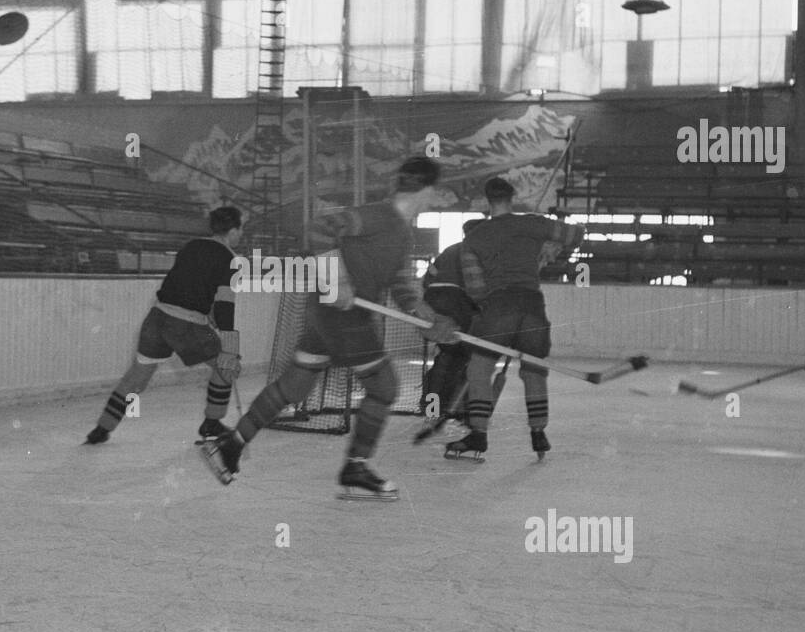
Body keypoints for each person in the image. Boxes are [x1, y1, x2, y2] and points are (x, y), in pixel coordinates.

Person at [200, 156, 456, 500]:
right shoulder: (380, 216)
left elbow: (400, 284)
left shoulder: (401, 233)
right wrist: (337, 279)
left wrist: (426, 317)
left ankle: (231, 445)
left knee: (294, 386)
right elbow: (318, 228)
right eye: (435, 191)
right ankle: (356, 467)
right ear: (427, 189)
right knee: (384, 388)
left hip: (327, 317)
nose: (435, 197)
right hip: (344, 319)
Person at [85, 206, 244, 444]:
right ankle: (212, 423)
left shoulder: (191, 246)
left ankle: (102, 428)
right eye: (241, 230)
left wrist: (206, 311)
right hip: (186, 326)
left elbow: (187, 284)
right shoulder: (230, 259)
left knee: (136, 378)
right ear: (232, 231)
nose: (241, 235)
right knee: (228, 366)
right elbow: (224, 305)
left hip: (157, 319)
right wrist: (229, 345)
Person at [452, 176, 584, 461]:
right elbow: (576, 235)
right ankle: (539, 433)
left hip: (499, 307)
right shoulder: (532, 223)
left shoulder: (474, 238)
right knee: (534, 372)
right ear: (511, 198)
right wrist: (548, 243)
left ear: (487, 201)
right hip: (533, 307)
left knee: (479, 370)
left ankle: (478, 434)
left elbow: (475, 289)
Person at [413, 217, 510, 443]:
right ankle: (460, 410)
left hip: (433, 302)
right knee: (466, 358)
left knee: (448, 356)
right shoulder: (482, 253)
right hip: (458, 302)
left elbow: (427, 280)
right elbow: (483, 291)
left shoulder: (449, 250)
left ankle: (434, 408)